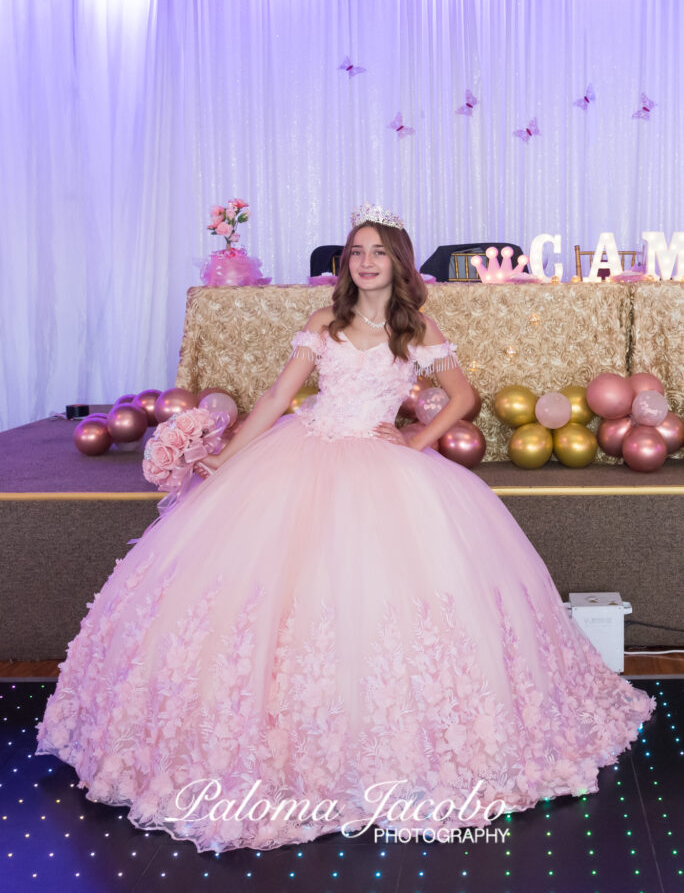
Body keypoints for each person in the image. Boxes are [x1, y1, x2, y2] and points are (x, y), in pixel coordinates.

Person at [35, 205, 656, 854]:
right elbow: (278, 399)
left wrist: (418, 441)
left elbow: (464, 396)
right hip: (304, 453)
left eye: (378, 252)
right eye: (356, 251)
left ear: (398, 263)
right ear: (346, 264)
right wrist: (229, 458)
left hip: (383, 464)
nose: (364, 261)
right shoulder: (321, 323)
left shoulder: (417, 329)